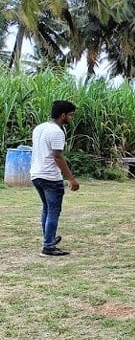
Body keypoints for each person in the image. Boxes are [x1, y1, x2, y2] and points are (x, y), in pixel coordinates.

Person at [30, 100, 79, 257]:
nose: (71, 118)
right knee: (53, 211)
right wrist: (71, 178)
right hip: (50, 176)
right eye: (70, 115)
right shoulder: (57, 131)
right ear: (62, 115)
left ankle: (48, 238)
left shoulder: (40, 128)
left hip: (36, 174)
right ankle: (49, 246)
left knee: (47, 208)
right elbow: (57, 156)